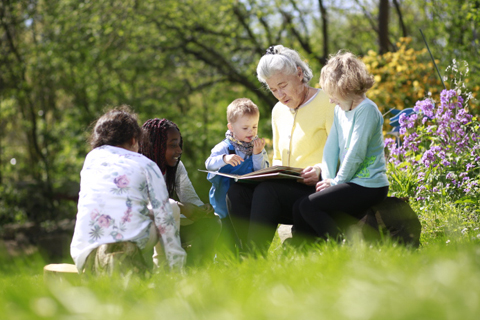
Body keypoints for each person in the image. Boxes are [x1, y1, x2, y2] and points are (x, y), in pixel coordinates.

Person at [226, 45, 335, 254]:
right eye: (273, 89)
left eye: (282, 85)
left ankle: (254, 258)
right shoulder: (278, 111)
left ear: (299, 73)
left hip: (318, 189)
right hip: (286, 190)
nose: (279, 94)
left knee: (268, 192)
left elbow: (342, 153)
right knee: (236, 192)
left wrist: (320, 169)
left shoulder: (327, 102)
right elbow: (277, 157)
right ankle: (242, 255)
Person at [70, 106, 185, 275]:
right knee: (171, 207)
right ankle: (165, 271)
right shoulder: (146, 164)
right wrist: (178, 266)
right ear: (133, 140)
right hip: (132, 240)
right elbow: (164, 216)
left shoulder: (91, 159)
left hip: (85, 250)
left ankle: (101, 262)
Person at [291, 51, 389, 243]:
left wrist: (336, 183)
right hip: (349, 181)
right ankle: (302, 251)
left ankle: (339, 245)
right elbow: (331, 147)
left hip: (368, 185)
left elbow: (356, 153)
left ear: (345, 88)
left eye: (332, 94)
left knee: (309, 206)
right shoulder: (339, 111)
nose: (330, 100)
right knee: (299, 206)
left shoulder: (367, 110)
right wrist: (327, 180)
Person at [140, 118, 221, 266]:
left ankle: (195, 269)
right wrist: (181, 207)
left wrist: (202, 209)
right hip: (145, 229)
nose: (179, 150)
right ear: (154, 146)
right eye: (173, 145)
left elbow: (189, 196)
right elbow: (144, 207)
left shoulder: (176, 166)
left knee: (212, 222)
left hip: (171, 222)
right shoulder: (139, 167)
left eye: (179, 144)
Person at [205, 98, 269, 252]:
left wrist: (257, 154)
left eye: (254, 127)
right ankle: (223, 261)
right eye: (245, 127)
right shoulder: (224, 147)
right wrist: (224, 159)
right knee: (226, 237)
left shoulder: (257, 146)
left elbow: (262, 170)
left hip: (246, 200)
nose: (251, 132)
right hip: (223, 201)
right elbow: (209, 164)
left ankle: (246, 253)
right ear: (231, 127)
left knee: (244, 231)